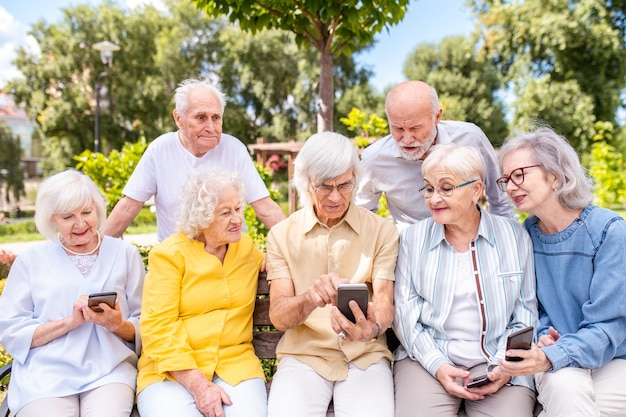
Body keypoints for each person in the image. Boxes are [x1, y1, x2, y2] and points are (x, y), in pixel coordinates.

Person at [393, 144, 537, 417]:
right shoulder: (413, 239)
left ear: (476, 190)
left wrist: (505, 366)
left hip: (498, 359)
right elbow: (405, 315)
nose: (434, 198)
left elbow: (525, 312)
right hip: (427, 359)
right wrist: (437, 364)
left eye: (446, 188)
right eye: (428, 188)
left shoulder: (514, 236)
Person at [265, 131, 399, 417]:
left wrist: (373, 327)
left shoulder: (381, 231)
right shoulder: (281, 235)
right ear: (306, 183)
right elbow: (277, 315)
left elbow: (386, 304)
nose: (336, 196)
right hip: (304, 356)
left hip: (364, 355)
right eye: (325, 186)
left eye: (345, 184)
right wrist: (309, 299)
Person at [497, 126, 626, 416]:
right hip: (556, 359)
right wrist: (543, 336)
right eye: (505, 179)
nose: (509, 187)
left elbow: (608, 328)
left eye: (519, 175)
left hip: (615, 359)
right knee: (562, 389)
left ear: (554, 175)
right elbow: (530, 307)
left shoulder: (608, 231)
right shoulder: (525, 235)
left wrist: (551, 354)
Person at [0, 169, 145, 417]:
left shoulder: (124, 254)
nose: (81, 224)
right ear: (52, 219)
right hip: (45, 374)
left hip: (109, 369)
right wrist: (69, 323)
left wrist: (118, 325)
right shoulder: (31, 260)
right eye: (68, 217)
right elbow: (11, 328)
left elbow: (149, 319)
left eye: (87, 213)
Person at [136, 168, 267, 417]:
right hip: (173, 371)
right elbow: (158, 328)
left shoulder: (246, 249)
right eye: (225, 213)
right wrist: (199, 386)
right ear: (202, 218)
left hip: (235, 364)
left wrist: (278, 263)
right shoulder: (169, 255)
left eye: (238, 209)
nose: (237, 219)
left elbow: (273, 263)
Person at [103, 78, 285, 242]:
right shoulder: (160, 149)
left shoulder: (234, 148)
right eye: (201, 118)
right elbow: (128, 208)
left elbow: (265, 207)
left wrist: (294, 244)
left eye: (216, 118)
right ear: (178, 119)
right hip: (177, 259)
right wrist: (96, 249)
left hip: (228, 257)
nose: (211, 127)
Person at [356, 80, 513, 230]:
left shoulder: (471, 138)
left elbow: (501, 200)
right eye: (397, 128)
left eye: (415, 128)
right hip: (413, 250)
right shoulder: (374, 159)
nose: (407, 139)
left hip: (471, 241)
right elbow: (363, 213)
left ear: (437, 117)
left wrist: (505, 243)